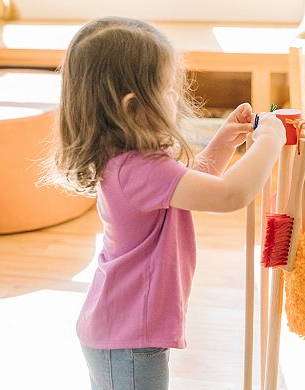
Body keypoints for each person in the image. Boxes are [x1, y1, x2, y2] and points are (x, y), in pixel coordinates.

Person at [47, 16, 286, 390]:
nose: (175, 97)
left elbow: (190, 186)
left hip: (126, 329)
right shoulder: (140, 169)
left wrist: (224, 141)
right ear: (132, 107)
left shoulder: (134, 160)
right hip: (127, 337)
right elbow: (230, 195)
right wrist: (272, 139)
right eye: (166, 89)